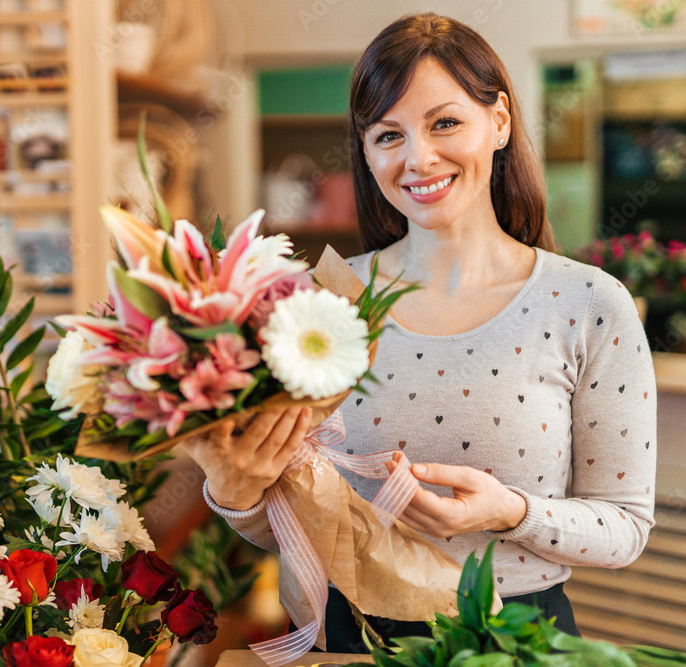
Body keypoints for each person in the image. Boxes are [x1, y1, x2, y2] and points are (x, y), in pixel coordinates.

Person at [183, 12, 656, 651]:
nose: (418, 157)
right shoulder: (318, 303)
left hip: (513, 643)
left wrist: (510, 511)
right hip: (350, 638)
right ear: (366, 151)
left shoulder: (588, 304)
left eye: (445, 122)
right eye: (388, 135)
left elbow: (625, 527)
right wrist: (234, 494)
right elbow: (295, 519)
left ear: (500, 121)